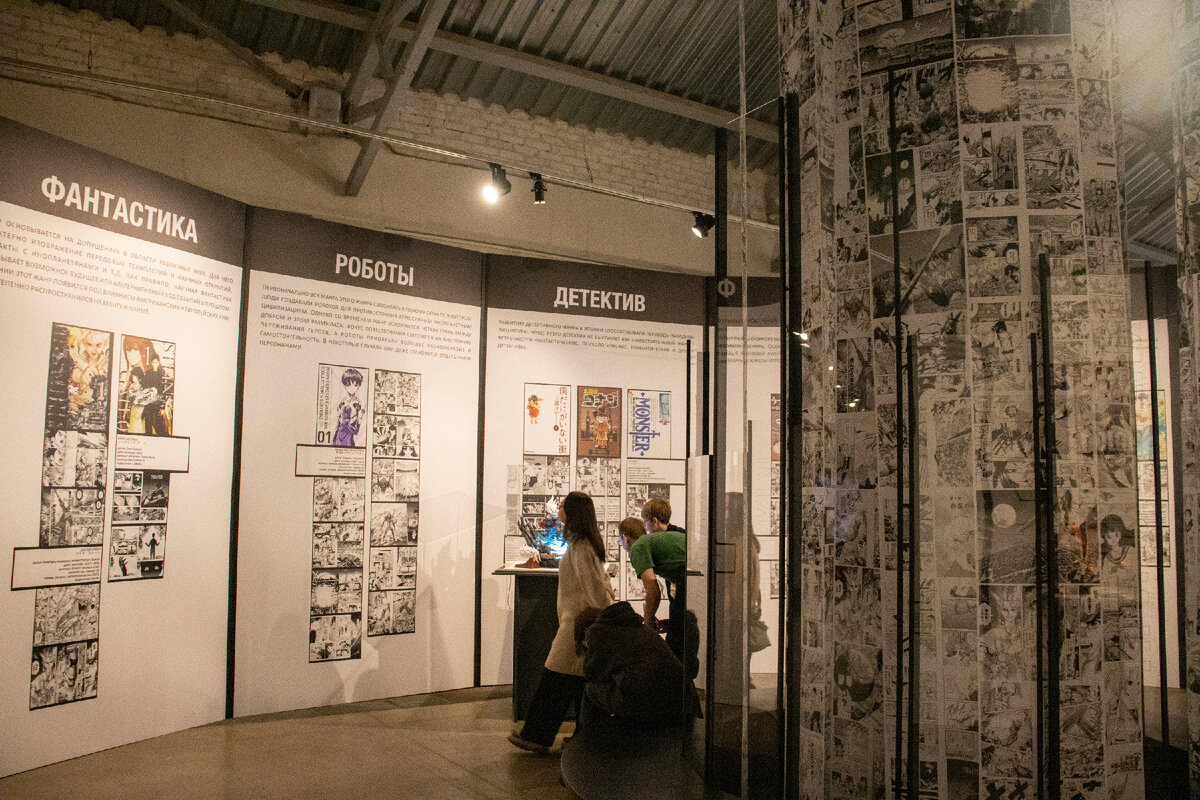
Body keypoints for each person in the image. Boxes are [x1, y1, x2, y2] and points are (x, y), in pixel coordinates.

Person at [509, 491, 615, 754]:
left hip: (578, 624)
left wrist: (602, 614)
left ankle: (536, 736)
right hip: (579, 622)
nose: (559, 510)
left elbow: (594, 590)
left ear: (574, 513)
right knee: (579, 681)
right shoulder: (583, 544)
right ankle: (583, 736)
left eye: (564, 507)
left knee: (555, 676)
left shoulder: (581, 548)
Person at [624, 501, 690, 671]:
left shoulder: (639, 546)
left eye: (645, 522)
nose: (645, 529)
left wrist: (647, 626)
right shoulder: (678, 535)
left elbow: (653, 592)